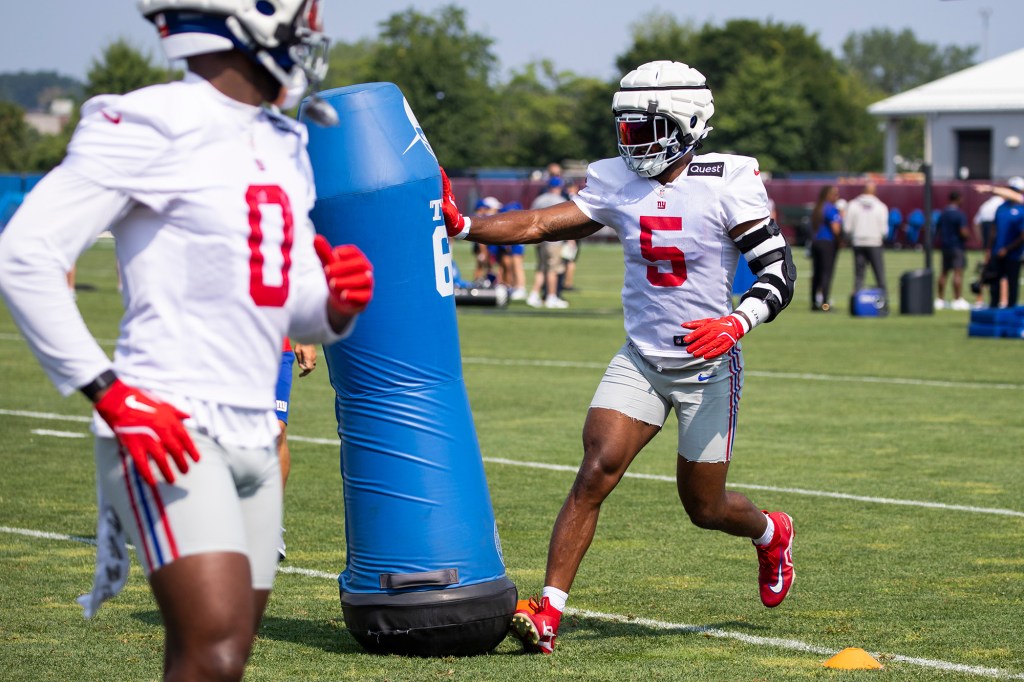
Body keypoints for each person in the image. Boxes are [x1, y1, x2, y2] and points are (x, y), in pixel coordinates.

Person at [0, 2, 375, 680]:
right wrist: (110, 393)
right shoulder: (151, 119)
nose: (311, 31)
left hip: (258, 426)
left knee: (223, 655)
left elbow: (288, 311)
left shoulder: (284, 140)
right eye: (299, 15)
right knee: (212, 648)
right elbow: (24, 254)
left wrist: (335, 307)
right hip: (169, 417)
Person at [440, 60, 797, 655]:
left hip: (708, 367)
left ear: (686, 124)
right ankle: (549, 611)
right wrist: (467, 224)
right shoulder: (617, 180)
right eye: (626, 128)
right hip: (641, 359)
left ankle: (769, 532)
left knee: (704, 508)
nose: (631, 142)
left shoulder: (727, 179)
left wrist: (738, 320)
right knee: (595, 471)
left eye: (644, 128)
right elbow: (537, 223)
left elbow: (779, 273)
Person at [275, 339, 317, 561]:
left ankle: (270, 525)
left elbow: (291, 302)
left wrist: (303, 337)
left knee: (275, 430)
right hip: (221, 346)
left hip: (274, 345)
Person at [526, 176, 570, 308]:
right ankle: (551, 296)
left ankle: (534, 294)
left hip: (540, 238)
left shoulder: (539, 199)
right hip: (554, 239)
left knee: (541, 268)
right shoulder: (561, 200)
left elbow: (530, 217)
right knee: (552, 269)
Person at [843, 181, 888, 297]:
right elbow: (884, 231)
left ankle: (857, 300)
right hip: (875, 242)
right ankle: (883, 300)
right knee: (879, 274)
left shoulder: (853, 205)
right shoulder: (881, 207)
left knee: (859, 275)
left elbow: (847, 227)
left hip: (858, 242)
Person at [934, 191, 970, 310]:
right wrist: (967, 236)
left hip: (945, 246)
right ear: (958, 199)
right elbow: (963, 231)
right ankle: (957, 299)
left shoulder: (943, 214)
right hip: (957, 246)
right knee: (957, 272)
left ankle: (940, 299)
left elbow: (937, 228)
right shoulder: (959, 214)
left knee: (943, 272)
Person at [990, 181, 1024, 308]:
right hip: (997, 252)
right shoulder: (1001, 207)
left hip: (1014, 254)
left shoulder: (1022, 208)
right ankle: (993, 309)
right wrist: (990, 249)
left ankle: (1011, 311)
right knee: (994, 283)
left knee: (1013, 283)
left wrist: (990, 188)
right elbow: (994, 230)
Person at [810, 185, 842, 311]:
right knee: (826, 273)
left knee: (816, 273)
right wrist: (840, 241)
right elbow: (836, 229)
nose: (837, 197)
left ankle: (814, 302)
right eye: (835, 194)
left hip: (816, 242)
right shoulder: (831, 209)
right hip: (827, 243)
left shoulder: (818, 208)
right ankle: (824, 303)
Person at [472, 196, 502, 282]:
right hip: (481, 247)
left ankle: (484, 280)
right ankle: (478, 281)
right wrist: (483, 253)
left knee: (487, 265)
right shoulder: (478, 219)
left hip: (484, 247)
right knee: (481, 265)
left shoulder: (480, 218)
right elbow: (480, 239)